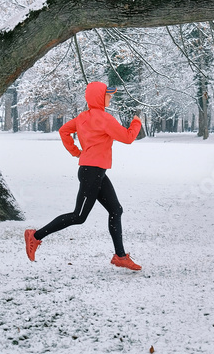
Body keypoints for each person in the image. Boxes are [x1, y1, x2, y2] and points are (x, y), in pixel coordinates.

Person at [24, 82, 143, 270]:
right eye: (108, 94)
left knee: (116, 210)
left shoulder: (82, 118)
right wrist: (136, 122)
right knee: (78, 216)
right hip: (92, 173)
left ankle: (120, 256)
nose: (110, 97)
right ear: (99, 97)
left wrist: (76, 152)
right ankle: (35, 236)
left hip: (95, 171)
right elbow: (128, 137)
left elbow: (64, 131)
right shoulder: (104, 119)